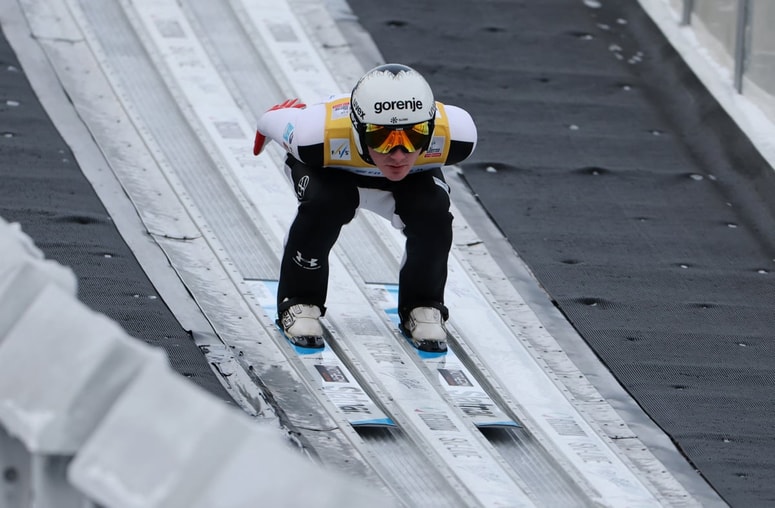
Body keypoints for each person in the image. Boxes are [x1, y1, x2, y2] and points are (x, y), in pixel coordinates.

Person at [252, 63, 477, 352]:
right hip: (332, 174)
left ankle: (423, 305)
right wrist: (275, 120)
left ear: (432, 129)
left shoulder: (458, 136)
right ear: (357, 129)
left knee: (433, 211)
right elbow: (270, 120)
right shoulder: (314, 135)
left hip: (409, 182)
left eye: (415, 136)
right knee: (326, 203)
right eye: (381, 138)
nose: (398, 154)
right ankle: (299, 302)